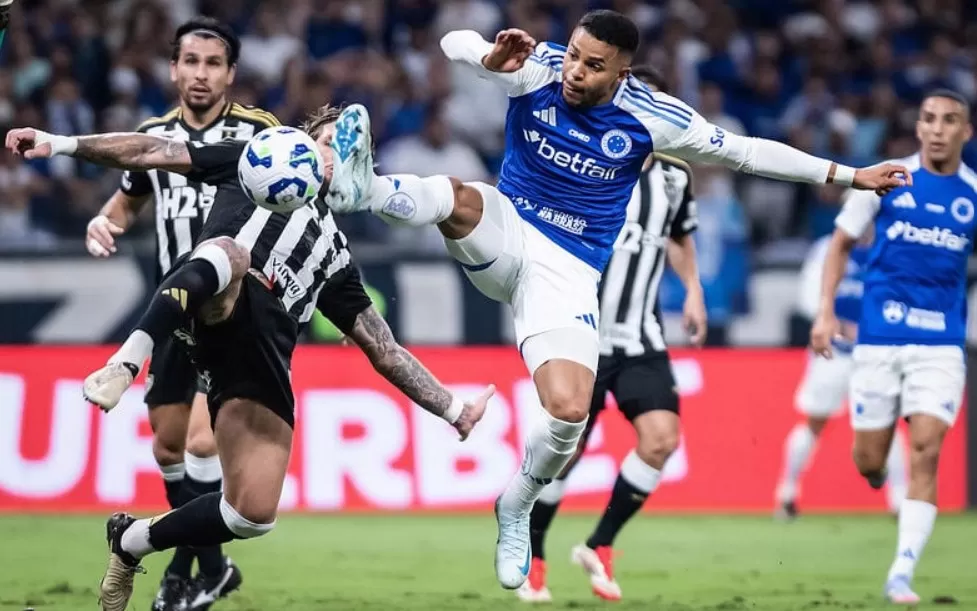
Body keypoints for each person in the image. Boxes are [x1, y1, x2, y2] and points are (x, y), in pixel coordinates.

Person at [322, 9, 909, 590]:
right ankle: (365, 188)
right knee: (458, 197)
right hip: (506, 231)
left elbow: (747, 151)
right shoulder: (539, 67)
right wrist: (488, 59)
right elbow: (451, 40)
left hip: (568, 272)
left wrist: (849, 174)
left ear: (622, 71)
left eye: (593, 65)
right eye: (574, 54)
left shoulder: (654, 118)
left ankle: (516, 505)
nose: (575, 71)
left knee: (569, 411)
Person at [5, 104, 494, 611]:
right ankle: (127, 360)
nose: (334, 157)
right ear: (302, 142)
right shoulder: (252, 160)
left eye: (347, 151)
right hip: (218, 301)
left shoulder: (336, 255)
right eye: (328, 142)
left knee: (251, 515)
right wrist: (60, 142)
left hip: (259, 363)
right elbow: (153, 150)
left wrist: (453, 411)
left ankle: (131, 541)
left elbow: (384, 350)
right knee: (229, 254)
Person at [84, 17, 280, 610]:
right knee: (169, 449)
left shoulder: (257, 133)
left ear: (231, 74)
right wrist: (105, 221)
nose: (200, 74)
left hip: (230, 309)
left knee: (201, 442)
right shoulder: (153, 136)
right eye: (190, 62)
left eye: (212, 63)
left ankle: (177, 573)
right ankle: (210, 568)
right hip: (172, 314)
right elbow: (128, 200)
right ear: (173, 69)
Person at [515, 65, 705, 603]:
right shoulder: (583, 160)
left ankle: (600, 544)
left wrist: (693, 289)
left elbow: (680, 237)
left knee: (662, 439)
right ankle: (535, 553)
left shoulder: (674, 174)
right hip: (581, 338)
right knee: (564, 457)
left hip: (642, 337)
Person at [811, 89, 975, 605]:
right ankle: (878, 471)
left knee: (926, 453)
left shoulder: (974, 194)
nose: (939, 128)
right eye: (929, 118)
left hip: (941, 342)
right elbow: (839, 243)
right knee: (868, 462)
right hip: (878, 340)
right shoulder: (886, 179)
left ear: (965, 132)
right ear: (919, 127)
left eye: (950, 120)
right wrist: (825, 310)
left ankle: (900, 573)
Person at [775, 230, 907, 520]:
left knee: (888, 424)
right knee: (814, 423)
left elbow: (901, 295)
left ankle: (899, 502)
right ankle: (787, 493)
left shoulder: (892, 247)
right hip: (832, 354)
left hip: (877, 355)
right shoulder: (828, 248)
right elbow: (809, 295)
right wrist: (835, 323)